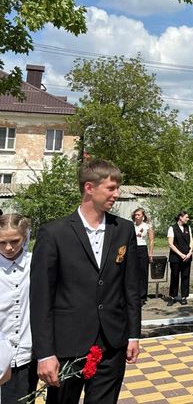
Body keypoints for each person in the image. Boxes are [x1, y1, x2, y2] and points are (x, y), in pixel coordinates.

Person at [31, 158, 140, 404]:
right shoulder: (54, 233)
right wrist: (45, 353)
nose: (117, 194)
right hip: (68, 346)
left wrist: (133, 335)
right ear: (89, 188)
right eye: (111, 188)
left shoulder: (124, 229)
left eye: (117, 188)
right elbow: (41, 299)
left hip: (112, 343)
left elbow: (131, 288)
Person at [0, 213, 37, 404]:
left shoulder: (36, 264)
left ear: (25, 237)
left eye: (15, 241)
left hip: (25, 356)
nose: (8, 248)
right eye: (1, 242)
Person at [166, 211, 193, 306]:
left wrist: (190, 252)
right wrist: (181, 254)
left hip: (187, 257)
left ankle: (184, 297)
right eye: (186, 217)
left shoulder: (188, 227)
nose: (188, 219)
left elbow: (191, 241)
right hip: (175, 258)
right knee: (175, 276)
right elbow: (170, 244)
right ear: (180, 217)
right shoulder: (172, 228)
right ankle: (173, 297)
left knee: (185, 276)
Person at [131, 208, 154, 307]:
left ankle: (142, 296)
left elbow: (151, 240)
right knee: (133, 273)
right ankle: (134, 295)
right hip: (132, 249)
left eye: (138, 215)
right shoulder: (131, 226)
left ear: (143, 216)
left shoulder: (147, 226)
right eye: (135, 215)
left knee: (143, 273)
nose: (136, 216)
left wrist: (150, 253)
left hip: (142, 249)